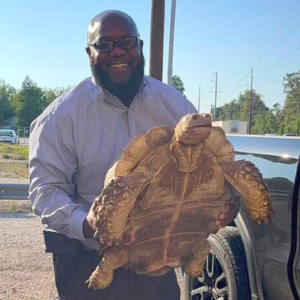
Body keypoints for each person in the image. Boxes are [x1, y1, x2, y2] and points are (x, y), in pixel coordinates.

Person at [29, 9, 239, 300]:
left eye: (127, 42)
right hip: (88, 262)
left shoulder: (175, 105)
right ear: (89, 53)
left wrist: (230, 200)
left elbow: (215, 164)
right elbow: (45, 191)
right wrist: (87, 224)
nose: (117, 52)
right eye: (104, 45)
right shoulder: (60, 116)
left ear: (140, 47)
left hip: (160, 259)